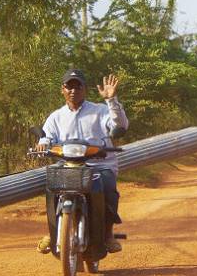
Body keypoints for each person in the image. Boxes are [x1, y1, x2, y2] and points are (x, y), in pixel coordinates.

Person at [36, 69, 129, 254]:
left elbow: (120, 125)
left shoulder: (100, 111)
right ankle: (54, 232)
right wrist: (43, 144)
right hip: (68, 166)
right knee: (51, 187)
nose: (73, 90)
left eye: (77, 86)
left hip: (99, 165)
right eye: (69, 86)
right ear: (62, 89)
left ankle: (108, 234)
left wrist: (111, 100)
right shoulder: (56, 117)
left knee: (108, 186)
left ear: (84, 89)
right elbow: (46, 137)